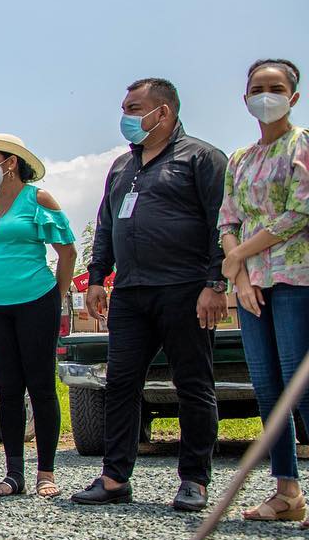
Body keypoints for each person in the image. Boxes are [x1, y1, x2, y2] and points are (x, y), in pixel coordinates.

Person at [72, 78, 228, 512]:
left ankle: (194, 480)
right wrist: (98, 277)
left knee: (192, 384)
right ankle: (114, 478)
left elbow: (222, 223)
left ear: (163, 112)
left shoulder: (201, 158)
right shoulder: (123, 166)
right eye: (124, 108)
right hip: (131, 293)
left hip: (185, 290)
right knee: (121, 384)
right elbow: (106, 224)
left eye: (134, 108)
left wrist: (215, 283)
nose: (126, 116)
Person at [218, 59, 309, 524]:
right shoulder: (240, 159)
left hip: (295, 277)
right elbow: (227, 219)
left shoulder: (302, 144)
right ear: (246, 98)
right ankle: (286, 490)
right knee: (268, 387)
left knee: (300, 383)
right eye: (257, 88)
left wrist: (239, 254)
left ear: (293, 97)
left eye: (275, 87)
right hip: (252, 285)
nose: (266, 95)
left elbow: (299, 211)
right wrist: (239, 275)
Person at [0, 134, 75, 498]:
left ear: (11, 162)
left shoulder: (38, 199)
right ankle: (13, 474)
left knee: (40, 386)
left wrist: (57, 295)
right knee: (7, 389)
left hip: (36, 300)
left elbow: (68, 251)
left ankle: (46, 473)